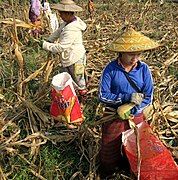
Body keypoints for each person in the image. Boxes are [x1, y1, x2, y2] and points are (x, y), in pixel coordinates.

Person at [98, 27, 160, 178]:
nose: (135, 58)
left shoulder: (144, 69)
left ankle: (130, 170)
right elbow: (102, 95)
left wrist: (135, 108)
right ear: (121, 53)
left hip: (136, 115)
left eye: (138, 54)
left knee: (136, 148)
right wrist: (126, 97)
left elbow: (148, 95)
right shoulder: (110, 70)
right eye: (131, 55)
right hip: (113, 114)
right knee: (109, 148)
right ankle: (109, 172)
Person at [41, 0, 87, 100]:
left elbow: (61, 47)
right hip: (68, 57)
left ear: (68, 13)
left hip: (75, 58)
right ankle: (72, 99)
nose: (60, 15)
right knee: (70, 79)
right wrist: (49, 40)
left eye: (61, 13)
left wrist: (45, 45)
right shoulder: (67, 22)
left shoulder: (72, 28)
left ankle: (83, 101)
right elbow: (57, 32)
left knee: (79, 81)